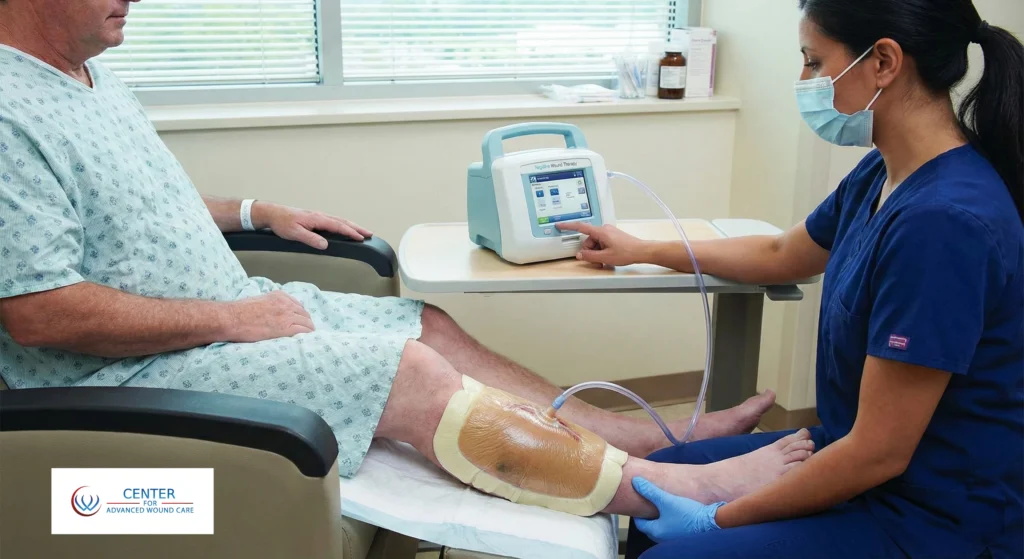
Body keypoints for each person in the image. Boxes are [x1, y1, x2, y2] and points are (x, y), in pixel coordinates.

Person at [0, 0, 815, 520]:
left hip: (225, 320)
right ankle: (674, 491)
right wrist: (230, 318)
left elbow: (133, 204)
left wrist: (252, 212)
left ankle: (635, 435)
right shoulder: (7, 111)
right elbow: (37, 312)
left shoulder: (91, 76)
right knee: (409, 372)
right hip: (131, 378)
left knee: (427, 322)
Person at [559, 0, 1024, 556]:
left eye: (813, 61)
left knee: (675, 548)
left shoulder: (943, 224)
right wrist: (643, 248)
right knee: (654, 479)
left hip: (931, 511)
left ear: (883, 62)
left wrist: (719, 518)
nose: (804, 80)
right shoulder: (886, 171)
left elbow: (879, 453)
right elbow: (785, 251)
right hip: (852, 450)